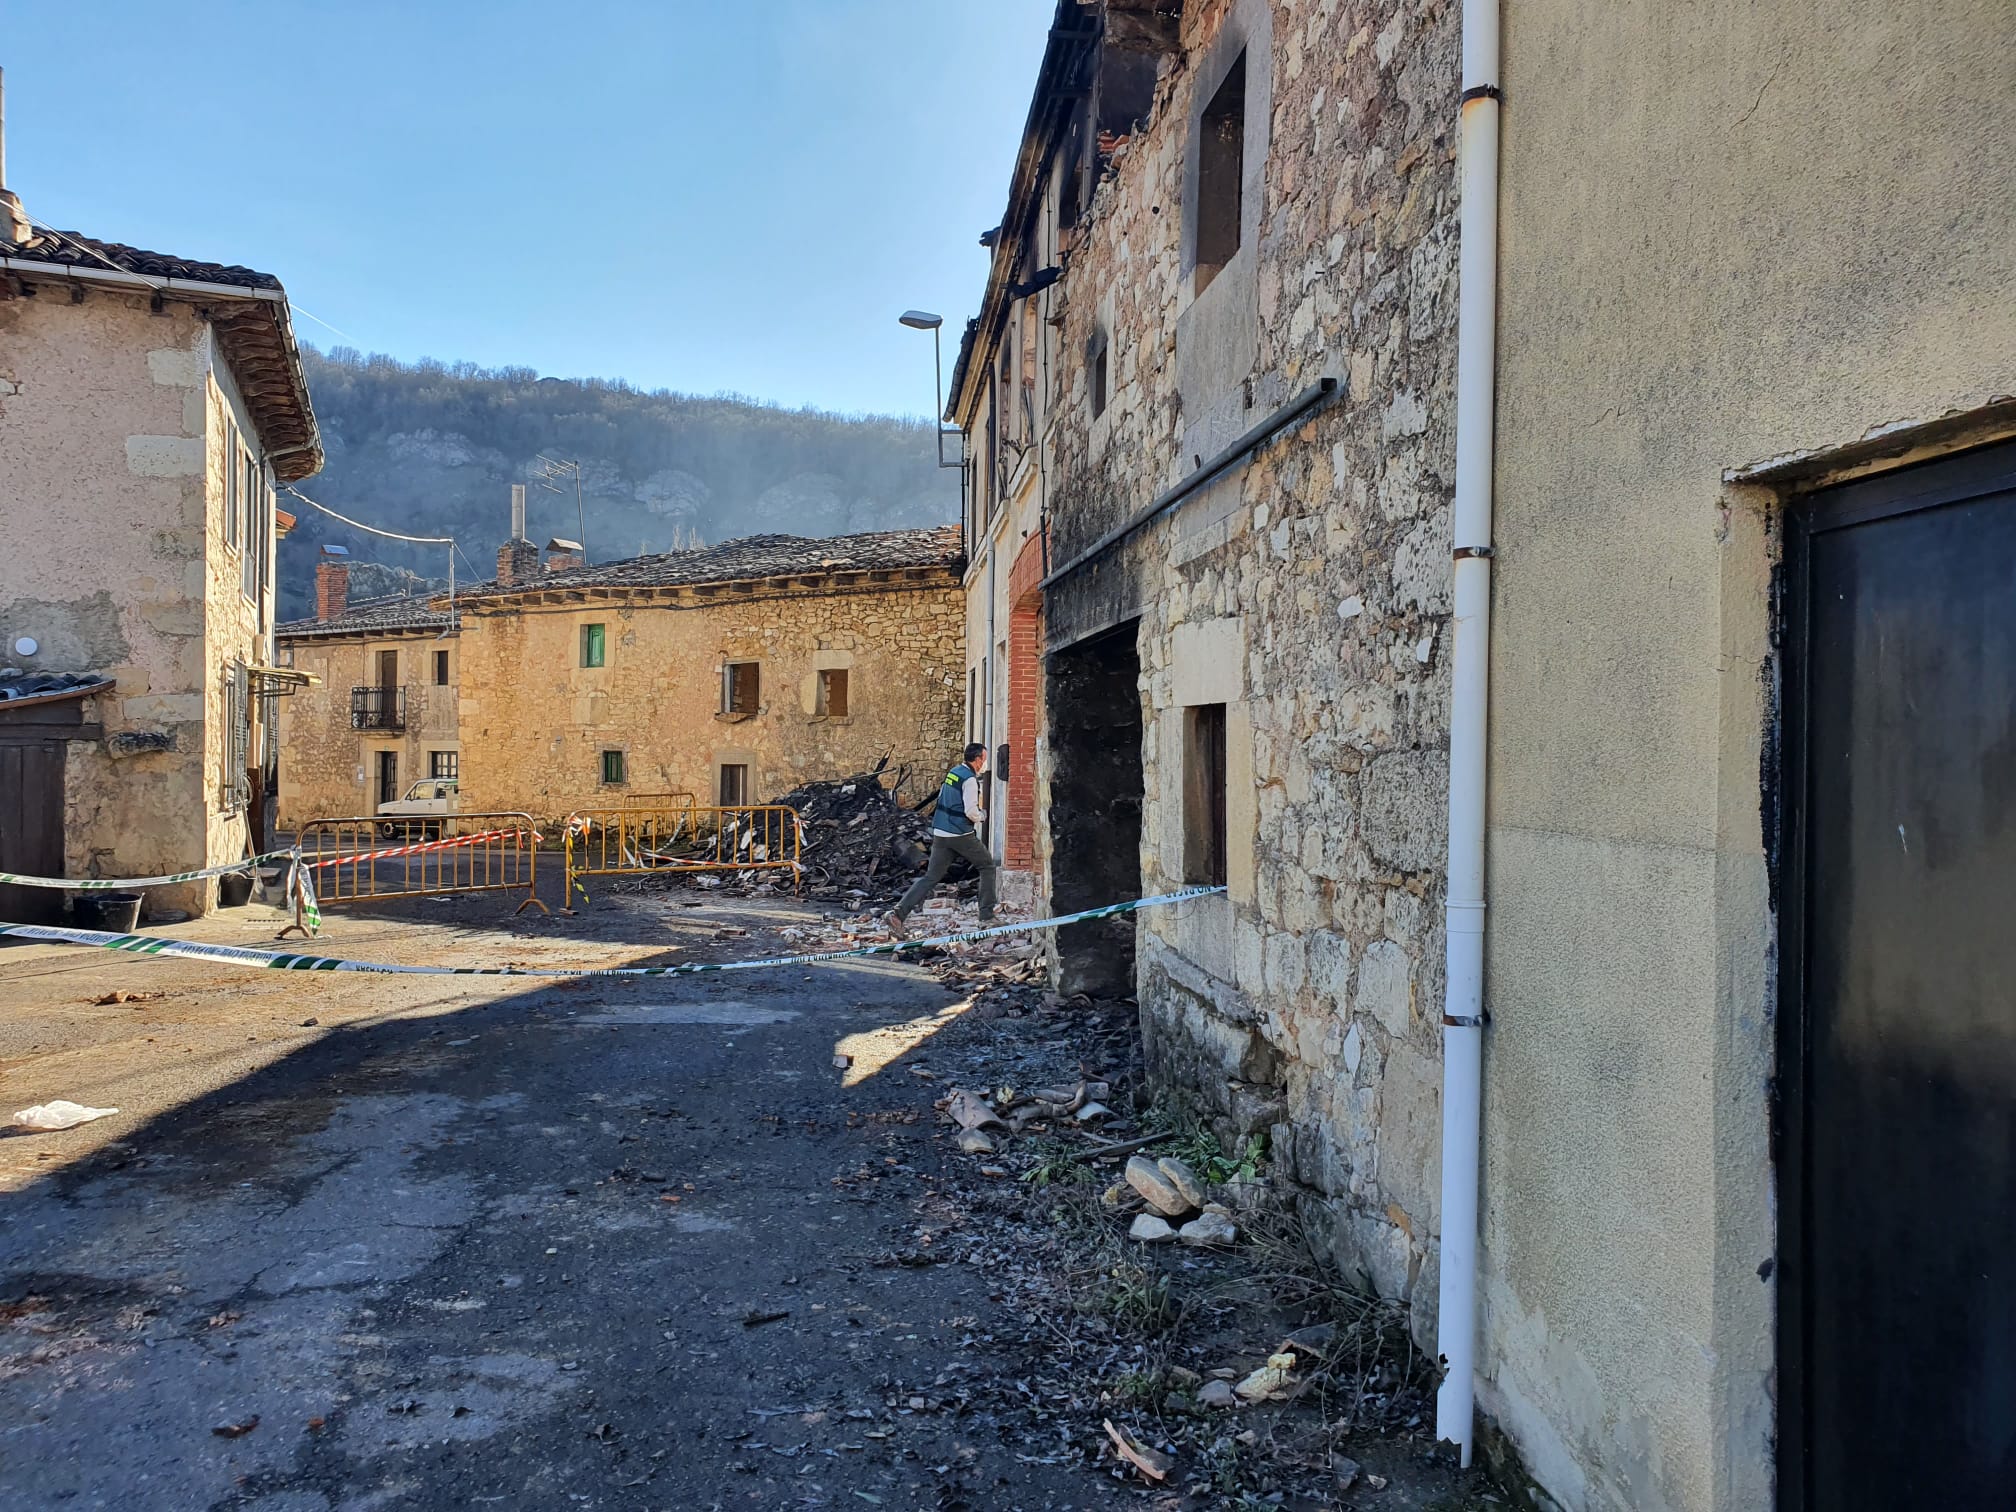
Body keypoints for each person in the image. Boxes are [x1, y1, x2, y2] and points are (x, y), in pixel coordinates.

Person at [885, 743, 999, 936]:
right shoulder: (970, 780)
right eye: (984, 759)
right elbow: (971, 812)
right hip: (960, 834)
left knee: (931, 877)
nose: (985, 763)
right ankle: (986, 916)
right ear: (978, 759)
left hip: (940, 832)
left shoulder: (954, 772)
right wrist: (982, 815)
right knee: (987, 866)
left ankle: (897, 914)